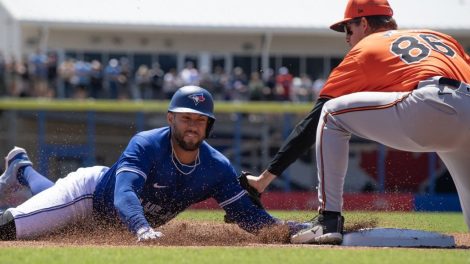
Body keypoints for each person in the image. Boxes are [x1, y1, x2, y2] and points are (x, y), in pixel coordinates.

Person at [246, 0, 470, 245]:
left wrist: (263, 180)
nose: (347, 37)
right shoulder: (439, 37)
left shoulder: (366, 48)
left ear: (364, 23)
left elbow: (314, 121)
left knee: (331, 114)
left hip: (430, 106)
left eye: (348, 29)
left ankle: (328, 220)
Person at [0, 86, 310, 241]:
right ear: (170, 118)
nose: (193, 126)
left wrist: (292, 231)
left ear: (209, 126)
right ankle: (23, 170)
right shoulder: (147, 144)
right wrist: (141, 227)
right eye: (186, 118)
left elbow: (248, 215)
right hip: (89, 198)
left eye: (201, 121)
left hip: (116, 222)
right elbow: (124, 194)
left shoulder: (216, 166)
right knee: (10, 229)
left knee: (49, 209)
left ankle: (22, 169)